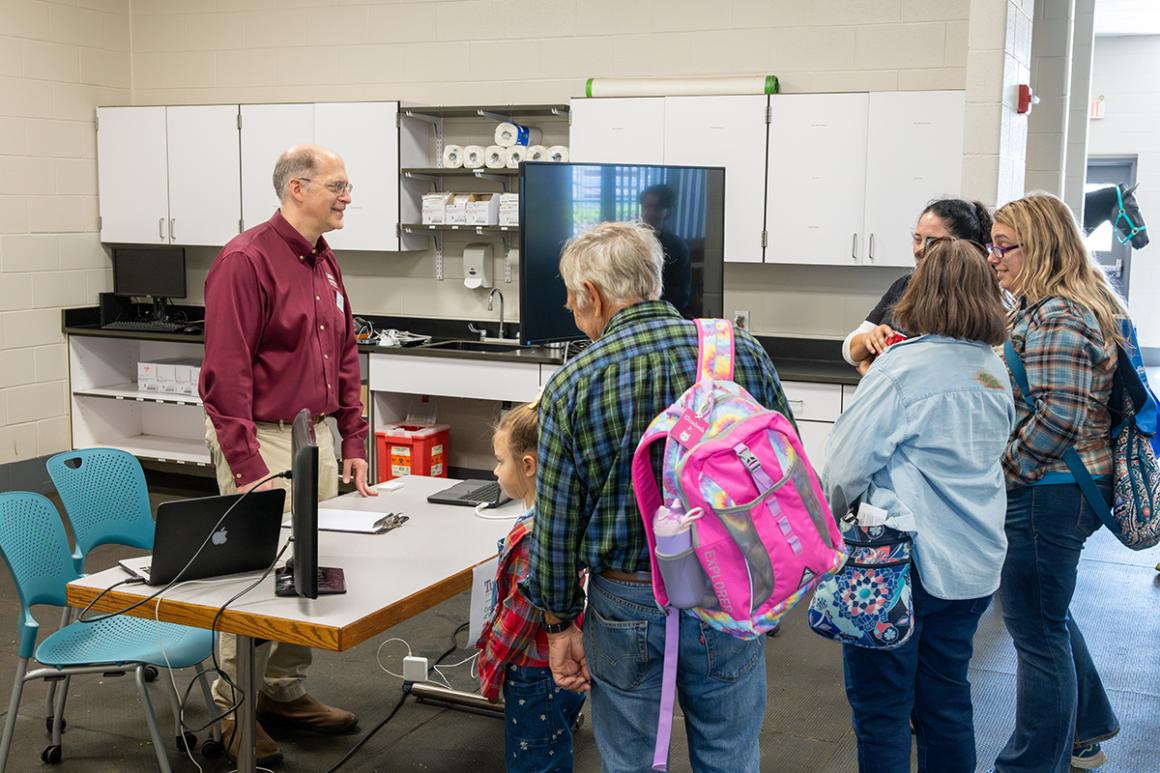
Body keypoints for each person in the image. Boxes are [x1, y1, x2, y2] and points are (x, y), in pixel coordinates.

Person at [522, 221, 793, 773]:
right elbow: (784, 471)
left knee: (634, 761)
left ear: (592, 295)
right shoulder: (741, 352)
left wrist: (559, 623)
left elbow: (555, 525)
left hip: (627, 600)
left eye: (574, 300)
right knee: (731, 753)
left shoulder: (575, 382)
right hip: (729, 587)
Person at [199, 144, 375, 765]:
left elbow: (346, 355)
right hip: (263, 436)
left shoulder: (324, 261)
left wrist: (353, 440)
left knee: (310, 563)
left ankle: (281, 690)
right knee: (254, 575)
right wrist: (246, 468)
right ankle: (233, 707)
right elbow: (225, 376)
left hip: (315, 433)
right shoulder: (245, 261)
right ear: (297, 189)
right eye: (338, 185)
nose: (348, 195)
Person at [823, 239, 1015, 773]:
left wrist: (823, 531)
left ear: (920, 292)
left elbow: (842, 467)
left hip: (899, 569)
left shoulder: (901, 370)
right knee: (946, 702)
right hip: (973, 564)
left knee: (883, 711)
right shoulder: (992, 369)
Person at [987, 193, 1123, 773]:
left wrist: (1002, 476)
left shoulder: (1059, 316)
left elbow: (1059, 417)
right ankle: (1086, 727)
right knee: (1050, 613)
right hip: (1061, 488)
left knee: (1035, 632)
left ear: (1039, 246)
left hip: (1049, 491)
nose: (993, 259)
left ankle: (1031, 763)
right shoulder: (1046, 308)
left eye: (1004, 247)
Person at [476, 402, 586, 772]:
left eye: (500, 461)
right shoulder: (568, 516)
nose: (495, 470)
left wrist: (491, 667)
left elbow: (519, 613)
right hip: (566, 663)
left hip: (533, 671)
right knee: (556, 742)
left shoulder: (529, 536)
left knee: (535, 762)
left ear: (527, 464)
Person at [843, 198, 993, 374]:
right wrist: (869, 339)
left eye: (932, 241)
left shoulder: (973, 301)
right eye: (917, 239)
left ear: (962, 247)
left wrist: (876, 373)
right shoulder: (904, 285)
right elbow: (850, 350)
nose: (919, 249)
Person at [639, 184, 695, 316]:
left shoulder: (678, 247)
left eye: (657, 208)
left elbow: (681, 295)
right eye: (646, 206)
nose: (650, 213)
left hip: (663, 313)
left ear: (667, 211)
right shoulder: (628, 241)